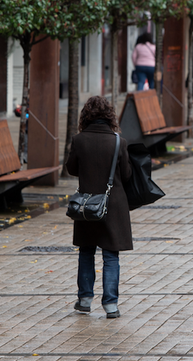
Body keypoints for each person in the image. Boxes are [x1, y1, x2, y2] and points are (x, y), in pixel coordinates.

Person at [66, 96, 133, 319]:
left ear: (86, 117)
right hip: (112, 206)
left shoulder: (79, 140)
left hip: (87, 206)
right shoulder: (118, 142)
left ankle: (85, 300)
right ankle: (111, 305)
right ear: (109, 116)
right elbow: (126, 175)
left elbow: (72, 169)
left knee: (86, 252)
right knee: (111, 256)